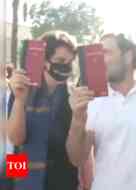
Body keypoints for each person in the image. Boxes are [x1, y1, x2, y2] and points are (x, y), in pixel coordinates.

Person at [66, 33, 136, 190]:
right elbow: (77, 159)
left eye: (106, 53)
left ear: (128, 56)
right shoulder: (90, 102)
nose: (98, 60)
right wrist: (77, 119)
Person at [6, 30, 79, 190]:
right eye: (60, 60)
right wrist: (19, 100)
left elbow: (79, 152)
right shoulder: (21, 88)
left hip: (61, 181)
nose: (65, 66)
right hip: (23, 179)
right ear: (44, 61)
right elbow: (16, 141)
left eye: (70, 61)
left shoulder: (74, 97)